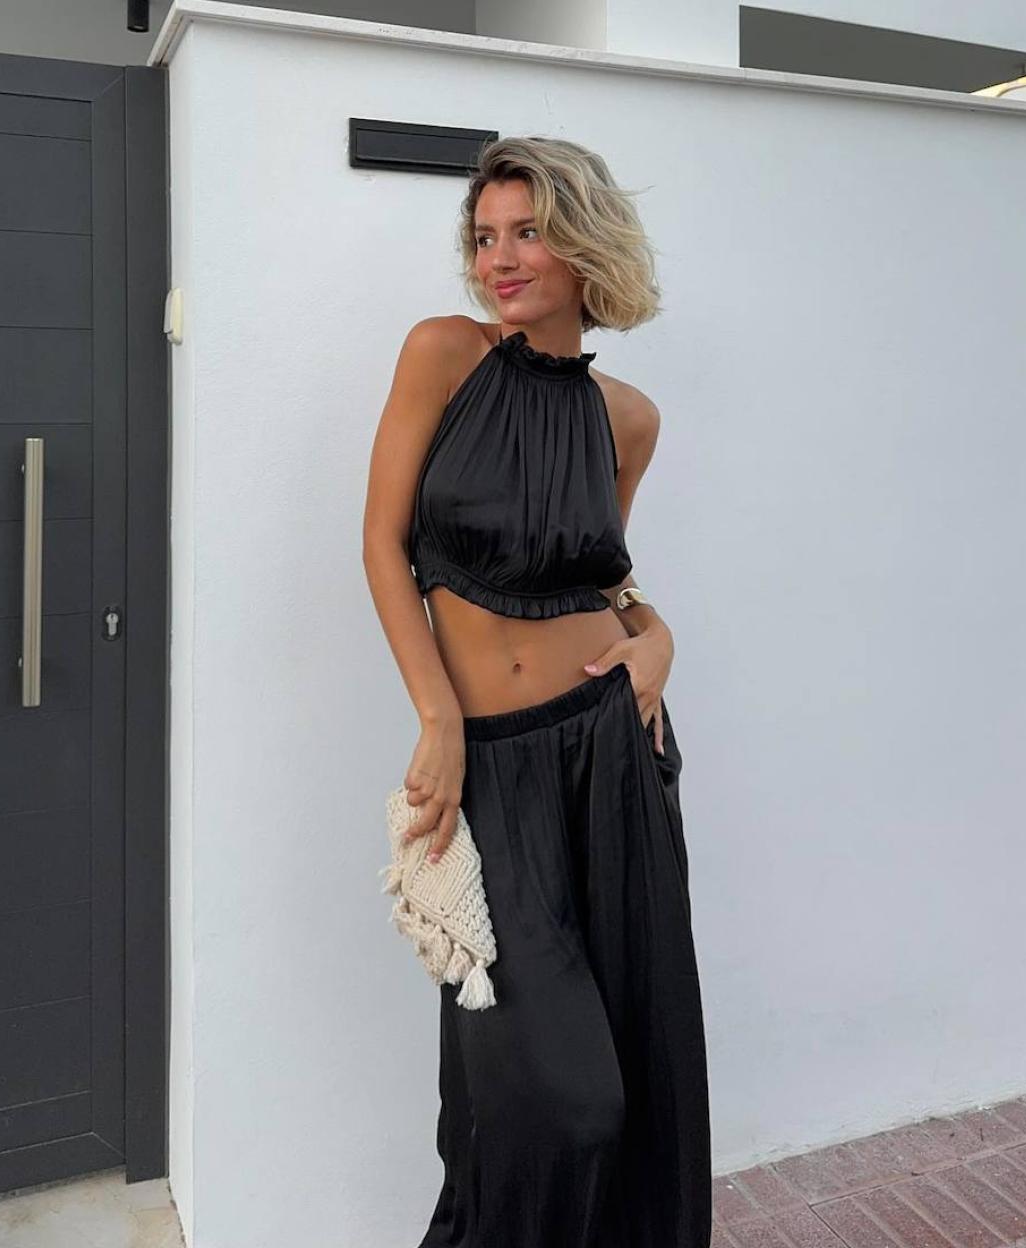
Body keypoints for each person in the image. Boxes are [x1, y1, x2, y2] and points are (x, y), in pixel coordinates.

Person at [362, 135, 711, 1248]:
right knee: (553, 1101)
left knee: (636, 1075)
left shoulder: (628, 419)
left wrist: (657, 638)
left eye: (527, 232)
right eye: (484, 237)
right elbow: (381, 547)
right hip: (489, 768)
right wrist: (439, 719)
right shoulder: (444, 356)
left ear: (583, 242)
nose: (499, 259)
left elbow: (601, 580)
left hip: (611, 757)